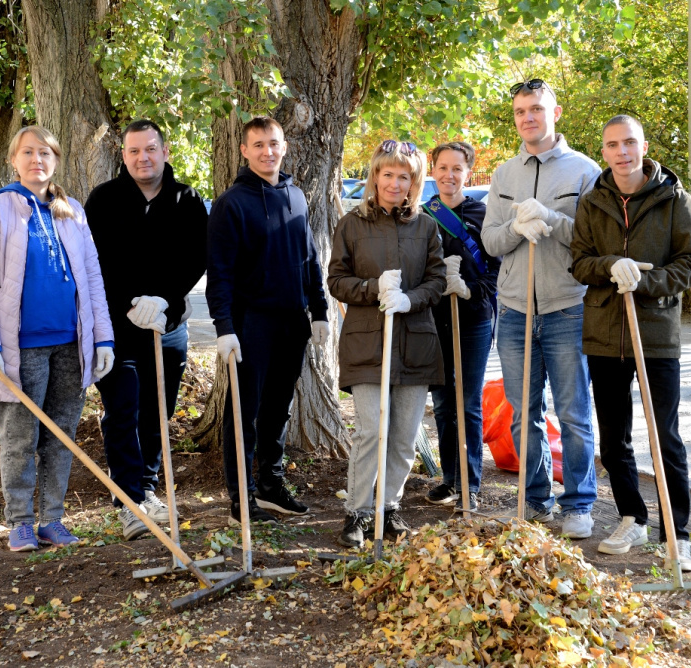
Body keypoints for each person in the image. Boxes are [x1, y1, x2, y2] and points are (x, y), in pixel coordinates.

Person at [0, 126, 115, 552]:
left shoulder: (72, 211)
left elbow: (92, 279)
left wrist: (103, 338)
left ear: (56, 160)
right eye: (28, 152)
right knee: (20, 437)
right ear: (14, 160)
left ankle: (51, 519)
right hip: (20, 346)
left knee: (62, 435)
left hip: (71, 342)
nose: (37, 160)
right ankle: (20, 522)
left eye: (45, 152)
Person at [571, 115, 691, 570]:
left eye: (629, 142)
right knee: (613, 439)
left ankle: (676, 533)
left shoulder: (674, 199)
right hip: (605, 334)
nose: (622, 151)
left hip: (656, 335)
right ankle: (633, 516)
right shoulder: (592, 203)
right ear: (603, 152)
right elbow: (580, 263)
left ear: (643, 145)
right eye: (612, 145)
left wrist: (646, 279)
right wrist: (612, 264)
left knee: (665, 436)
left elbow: (690, 264)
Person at [481, 79, 601, 538]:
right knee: (522, 412)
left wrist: (550, 221)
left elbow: (593, 242)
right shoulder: (504, 174)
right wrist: (518, 227)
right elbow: (492, 242)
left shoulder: (585, 172)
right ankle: (535, 500)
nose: (527, 117)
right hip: (514, 311)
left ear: (556, 112)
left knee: (572, 412)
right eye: (519, 111)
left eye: (535, 109)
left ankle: (578, 504)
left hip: (567, 307)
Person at [85, 120, 208, 540]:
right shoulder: (103, 200)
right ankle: (128, 499)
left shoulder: (187, 200)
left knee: (158, 410)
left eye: (151, 149)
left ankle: (148, 488)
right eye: (135, 151)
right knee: (124, 408)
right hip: (118, 327)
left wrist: (165, 300)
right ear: (124, 156)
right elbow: (95, 262)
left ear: (165, 150)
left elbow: (196, 258)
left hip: (167, 326)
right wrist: (130, 304)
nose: (143, 158)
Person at [206, 117, 330, 525]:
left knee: (279, 407)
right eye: (258, 145)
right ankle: (241, 499)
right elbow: (219, 273)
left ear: (284, 146)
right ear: (244, 150)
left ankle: (272, 485)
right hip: (250, 324)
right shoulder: (232, 203)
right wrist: (224, 327)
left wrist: (320, 311)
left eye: (273, 144)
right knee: (244, 412)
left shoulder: (296, 195)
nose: (267, 152)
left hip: (292, 322)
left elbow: (309, 257)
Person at [328, 139, 446, 549]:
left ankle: (388, 506)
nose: (395, 183)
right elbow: (336, 281)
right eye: (388, 174)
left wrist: (410, 298)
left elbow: (437, 280)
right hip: (367, 345)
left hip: (415, 344)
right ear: (375, 176)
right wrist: (372, 287)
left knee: (402, 435)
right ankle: (357, 512)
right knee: (371, 432)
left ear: (414, 182)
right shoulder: (352, 225)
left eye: (405, 176)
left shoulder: (426, 226)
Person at [422, 142, 500, 512]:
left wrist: (470, 289)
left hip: (473, 319)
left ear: (468, 172)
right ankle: (450, 479)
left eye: (457, 168)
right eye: (443, 168)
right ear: (432, 170)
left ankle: (470, 483)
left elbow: (497, 270)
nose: (449, 175)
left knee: (467, 402)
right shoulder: (423, 215)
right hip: (434, 320)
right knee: (441, 404)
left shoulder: (483, 214)